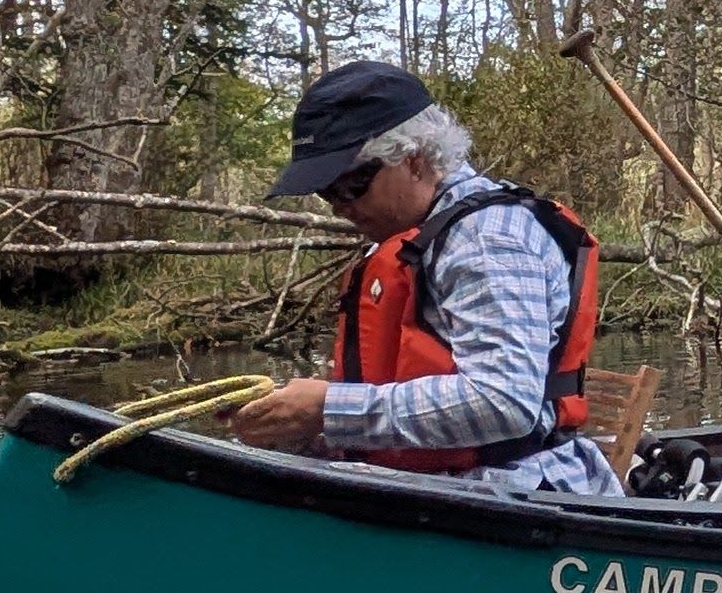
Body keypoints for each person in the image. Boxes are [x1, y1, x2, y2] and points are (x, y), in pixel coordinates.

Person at [229, 60, 618, 496]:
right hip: (436, 487)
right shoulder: (418, 236)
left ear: (415, 161)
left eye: (352, 185)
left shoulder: (486, 239)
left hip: (520, 496)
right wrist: (295, 423)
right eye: (326, 192)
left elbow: (504, 402)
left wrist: (327, 409)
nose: (338, 205)